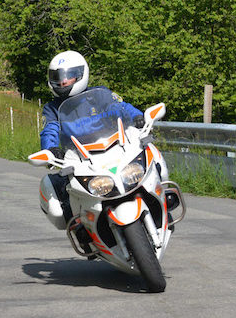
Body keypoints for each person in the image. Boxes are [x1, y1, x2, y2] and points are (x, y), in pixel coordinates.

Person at [38, 50, 153, 249]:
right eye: (58, 78)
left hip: (113, 147)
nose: (63, 82)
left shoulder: (99, 95)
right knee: (63, 190)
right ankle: (82, 230)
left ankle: (161, 195)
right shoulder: (52, 108)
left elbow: (121, 107)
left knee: (149, 153)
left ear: (81, 74)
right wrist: (51, 149)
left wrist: (138, 117)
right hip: (80, 158)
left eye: (68, 77)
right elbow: (50, 129)